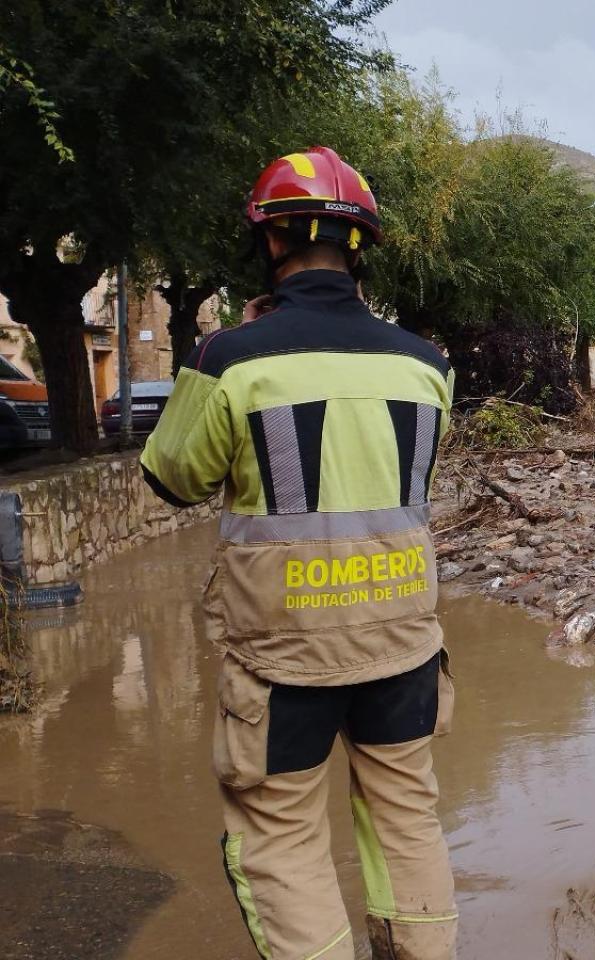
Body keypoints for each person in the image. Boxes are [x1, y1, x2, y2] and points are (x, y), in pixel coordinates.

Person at [141, 147, 458, 960]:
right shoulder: (427, 367)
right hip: (403, 642)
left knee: (281, 839)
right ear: (359, 249)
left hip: (283, 659)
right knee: (407, 823)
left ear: (272, 244)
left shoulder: (231, 360)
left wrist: (227, 353)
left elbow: (173, 479)